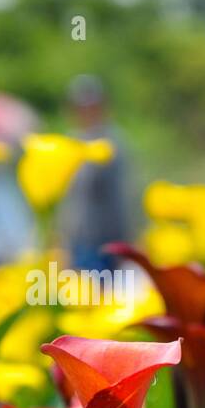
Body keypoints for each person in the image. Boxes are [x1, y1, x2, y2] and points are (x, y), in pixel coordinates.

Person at [59, 75, 131, 272]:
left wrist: (124, 243)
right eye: (80, 107)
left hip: (104, 242)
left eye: (91, 106)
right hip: (75, 240)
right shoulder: (71, 141)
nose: (86, 112)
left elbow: (120, 197)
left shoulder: (112, 143)